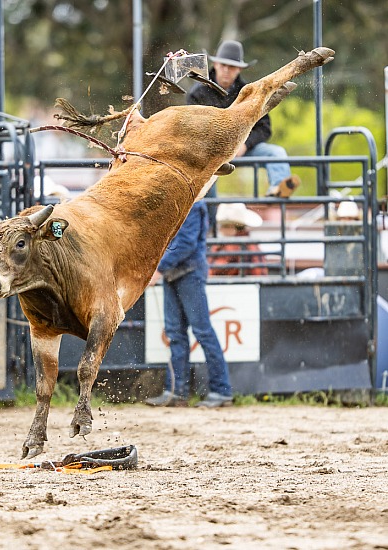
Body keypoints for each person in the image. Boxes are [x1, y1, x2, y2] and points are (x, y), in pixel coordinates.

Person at [145, 199, 233, 408]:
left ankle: (214, 390)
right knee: (181, 333)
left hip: (186, 273)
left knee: (197, 332)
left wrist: (159, 268)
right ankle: (181, 391)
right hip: (181, 272)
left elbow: (185, 243)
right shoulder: (188, 204)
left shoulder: (191, 205)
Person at [187, 40, 300, 198]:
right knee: (204, 179)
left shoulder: (250, 92)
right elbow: (194, 130)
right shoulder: (198, 93)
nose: (226, 70)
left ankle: (278, 190)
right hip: (211, 154)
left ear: (239, 69)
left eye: (231, 67)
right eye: (223, 65)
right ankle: (210, 215)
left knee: (277, 152)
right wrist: (219, 149)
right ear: (216, 64)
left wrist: (245, 145)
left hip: (243, 150)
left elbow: (264, 128)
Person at [209, 202, 268, 276]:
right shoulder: (250, 244)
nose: (221, 229)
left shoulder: (231, 246)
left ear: (232, 227)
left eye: (224, 226)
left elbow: (214, 270)